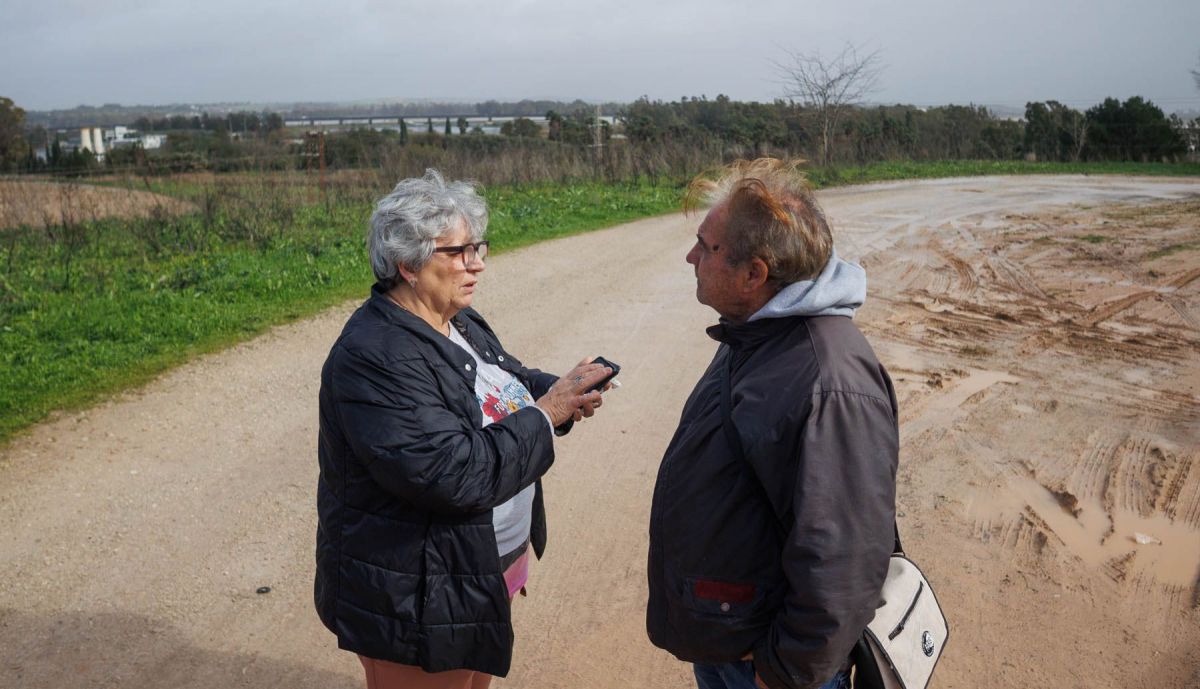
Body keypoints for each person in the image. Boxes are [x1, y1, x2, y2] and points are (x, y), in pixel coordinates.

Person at [314, 169, 613, 689]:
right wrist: (548, 413)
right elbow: (452, 474)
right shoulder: (375, 355)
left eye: (478, 246)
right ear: (407, 264)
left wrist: (565, 387)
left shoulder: (457, 319)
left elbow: (506, 380)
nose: (476, 263)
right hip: (419, 591)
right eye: (457, 252)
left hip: (477, 567)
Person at [646, 158, 898, 689]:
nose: (691, 257)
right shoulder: (759, 332)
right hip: (733, 638)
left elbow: (843, 554)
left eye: (705, 246)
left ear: (754, 273)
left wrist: (783, 672)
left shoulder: (825, 377)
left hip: (765, 664)